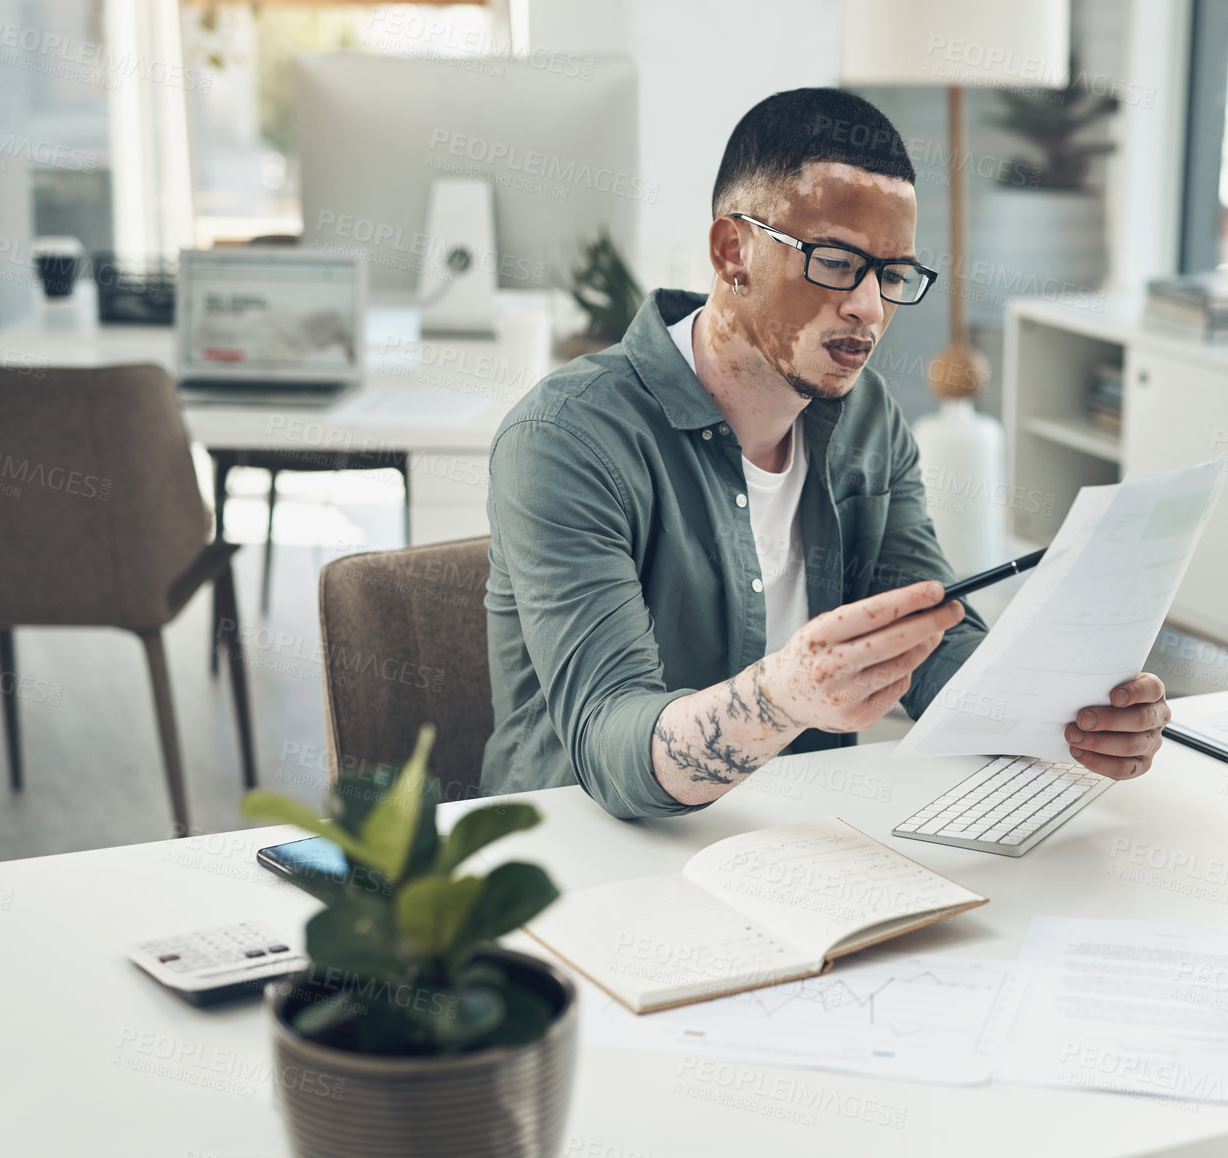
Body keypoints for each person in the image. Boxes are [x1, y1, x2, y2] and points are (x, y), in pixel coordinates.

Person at [482, 88, 1170, 818]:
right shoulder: (563, 440)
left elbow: (932, 637)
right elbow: (608, 745)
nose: (869, 308)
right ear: (731, 251)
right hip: (575, 847)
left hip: (796, 830)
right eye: (836, 262)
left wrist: (1068, 713)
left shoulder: (868, 419)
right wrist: (783, 696)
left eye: (892, 274)